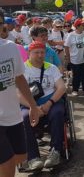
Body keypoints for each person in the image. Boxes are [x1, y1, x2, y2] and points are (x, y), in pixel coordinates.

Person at [0, 10, 41, 177]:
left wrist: (33, 105)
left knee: (19, 157)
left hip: (13, 115)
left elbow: (19, 78)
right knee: (8, 165)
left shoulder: (10, 48)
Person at [20, 41, 66, 170]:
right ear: (29, 53)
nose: (40, 55)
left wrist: (49, 103)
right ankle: (33, 157)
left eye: (42, 52)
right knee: (23, 118)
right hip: (29, 104)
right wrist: (34, 107)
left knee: (58, 113)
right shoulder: (22, 69)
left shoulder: (51, 67)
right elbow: (18, 93)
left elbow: (61, 87)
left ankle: (55, 151)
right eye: (36, 52)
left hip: (50, 101)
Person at [64, 18, 84, 96]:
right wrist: (68, 58)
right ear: (77, 26)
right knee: (76, 76)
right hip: (75, 60)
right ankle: (75, 90)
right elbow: (66, 46)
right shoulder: (71, 35)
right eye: (82, 24)